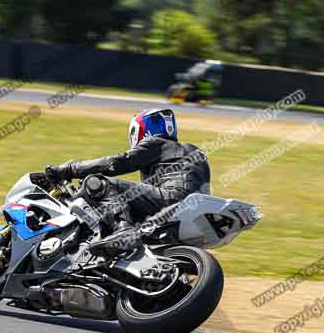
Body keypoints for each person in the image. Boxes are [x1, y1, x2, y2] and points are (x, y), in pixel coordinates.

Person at [31, 108, 211, 256]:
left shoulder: (158, 144)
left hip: (171, 202)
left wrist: (68, 170)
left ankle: (123, 231)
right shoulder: (193, 151)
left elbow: (116, 163)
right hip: (190, 212)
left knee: (98, 183)